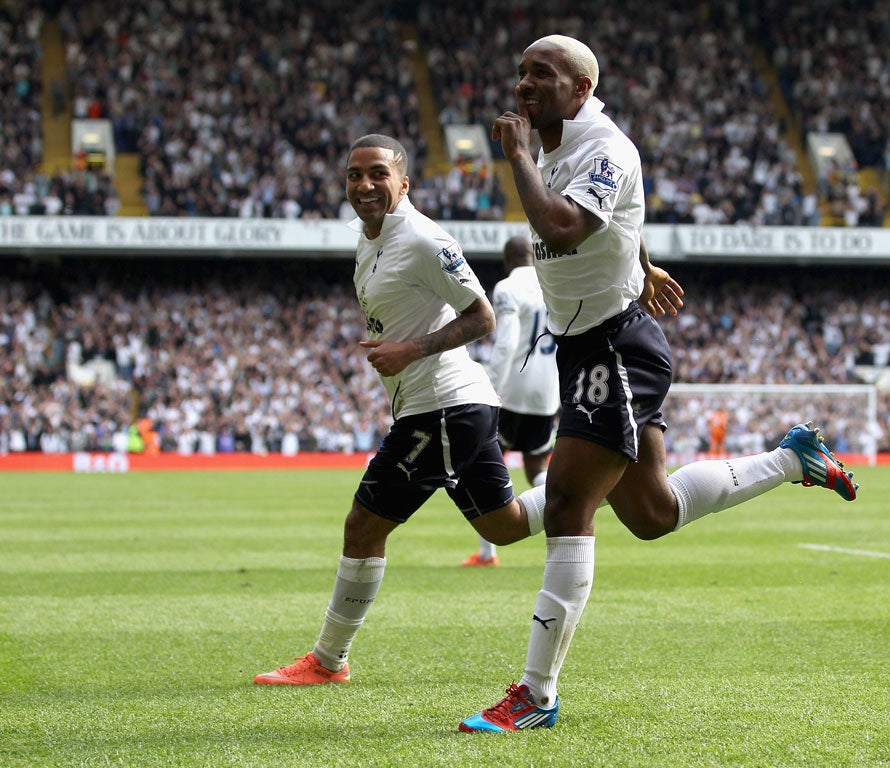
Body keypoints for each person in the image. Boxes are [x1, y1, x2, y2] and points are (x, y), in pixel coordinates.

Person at [458, 35, 858, 733]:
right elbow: (612, 216)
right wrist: (642, 257)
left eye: (542, 73)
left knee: (569, 510)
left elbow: (563, 222)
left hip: (614, 349)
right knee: (650, 514)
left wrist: (515, 154)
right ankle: (794, 456)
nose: (525, 83)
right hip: (591, 347)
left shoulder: (602, 147)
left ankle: (536, 695)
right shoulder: (557, 145)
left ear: (581, 89)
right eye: (520, 71)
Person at [253, 134, 548, 686]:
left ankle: (327, 660)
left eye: (377, 174)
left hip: (443, 408)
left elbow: (481, 316)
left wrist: (410, 350)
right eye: (354, 175)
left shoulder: (422, 238)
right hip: (453, 407)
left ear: (403, 182)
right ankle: (588, 485)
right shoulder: (368, 240)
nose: (364, 185)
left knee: (362, 526)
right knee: (504, 527)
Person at [462, 235, 561, 567]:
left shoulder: (507, 288)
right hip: (547, 392)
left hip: (513, 390)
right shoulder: (553, 283)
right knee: (537, 467)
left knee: (488, 463)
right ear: (533, 256)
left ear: (507, 260)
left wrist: (489, 387)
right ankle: (562, 534)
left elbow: (507, 343)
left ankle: (488, 553)